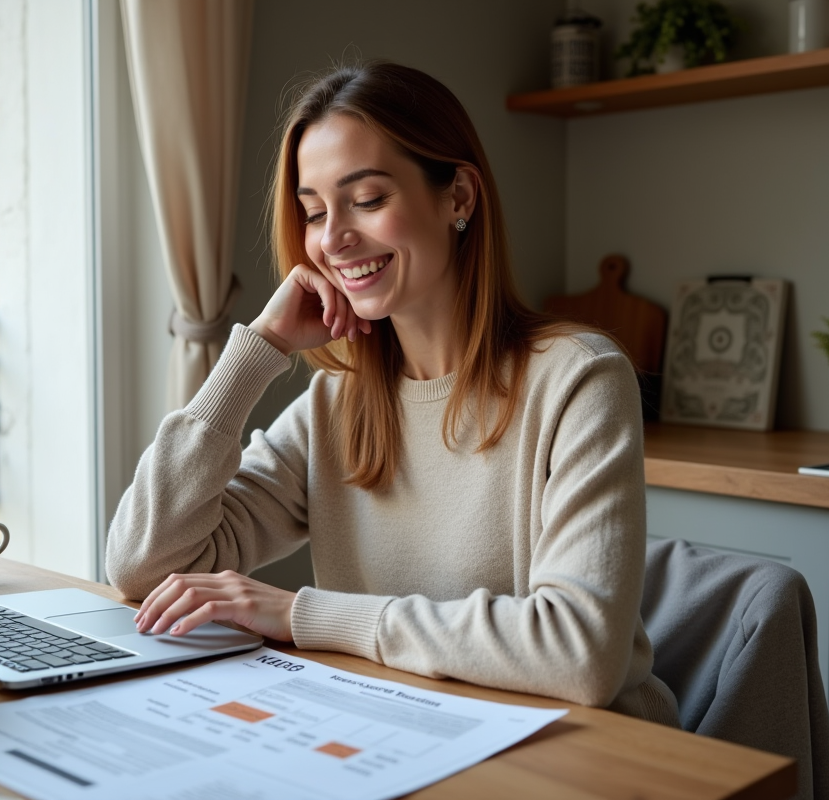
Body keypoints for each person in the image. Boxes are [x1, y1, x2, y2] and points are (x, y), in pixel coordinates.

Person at [106, 61, 678, 724]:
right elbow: (142, 564)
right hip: (411, 737)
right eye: (314, 211)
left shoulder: (579, 379)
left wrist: (301, 613)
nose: (333, 238)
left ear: (459, 197)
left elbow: (582, 655)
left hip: (591, 759)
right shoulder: (337, 405)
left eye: (368, 200)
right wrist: (257, 348)